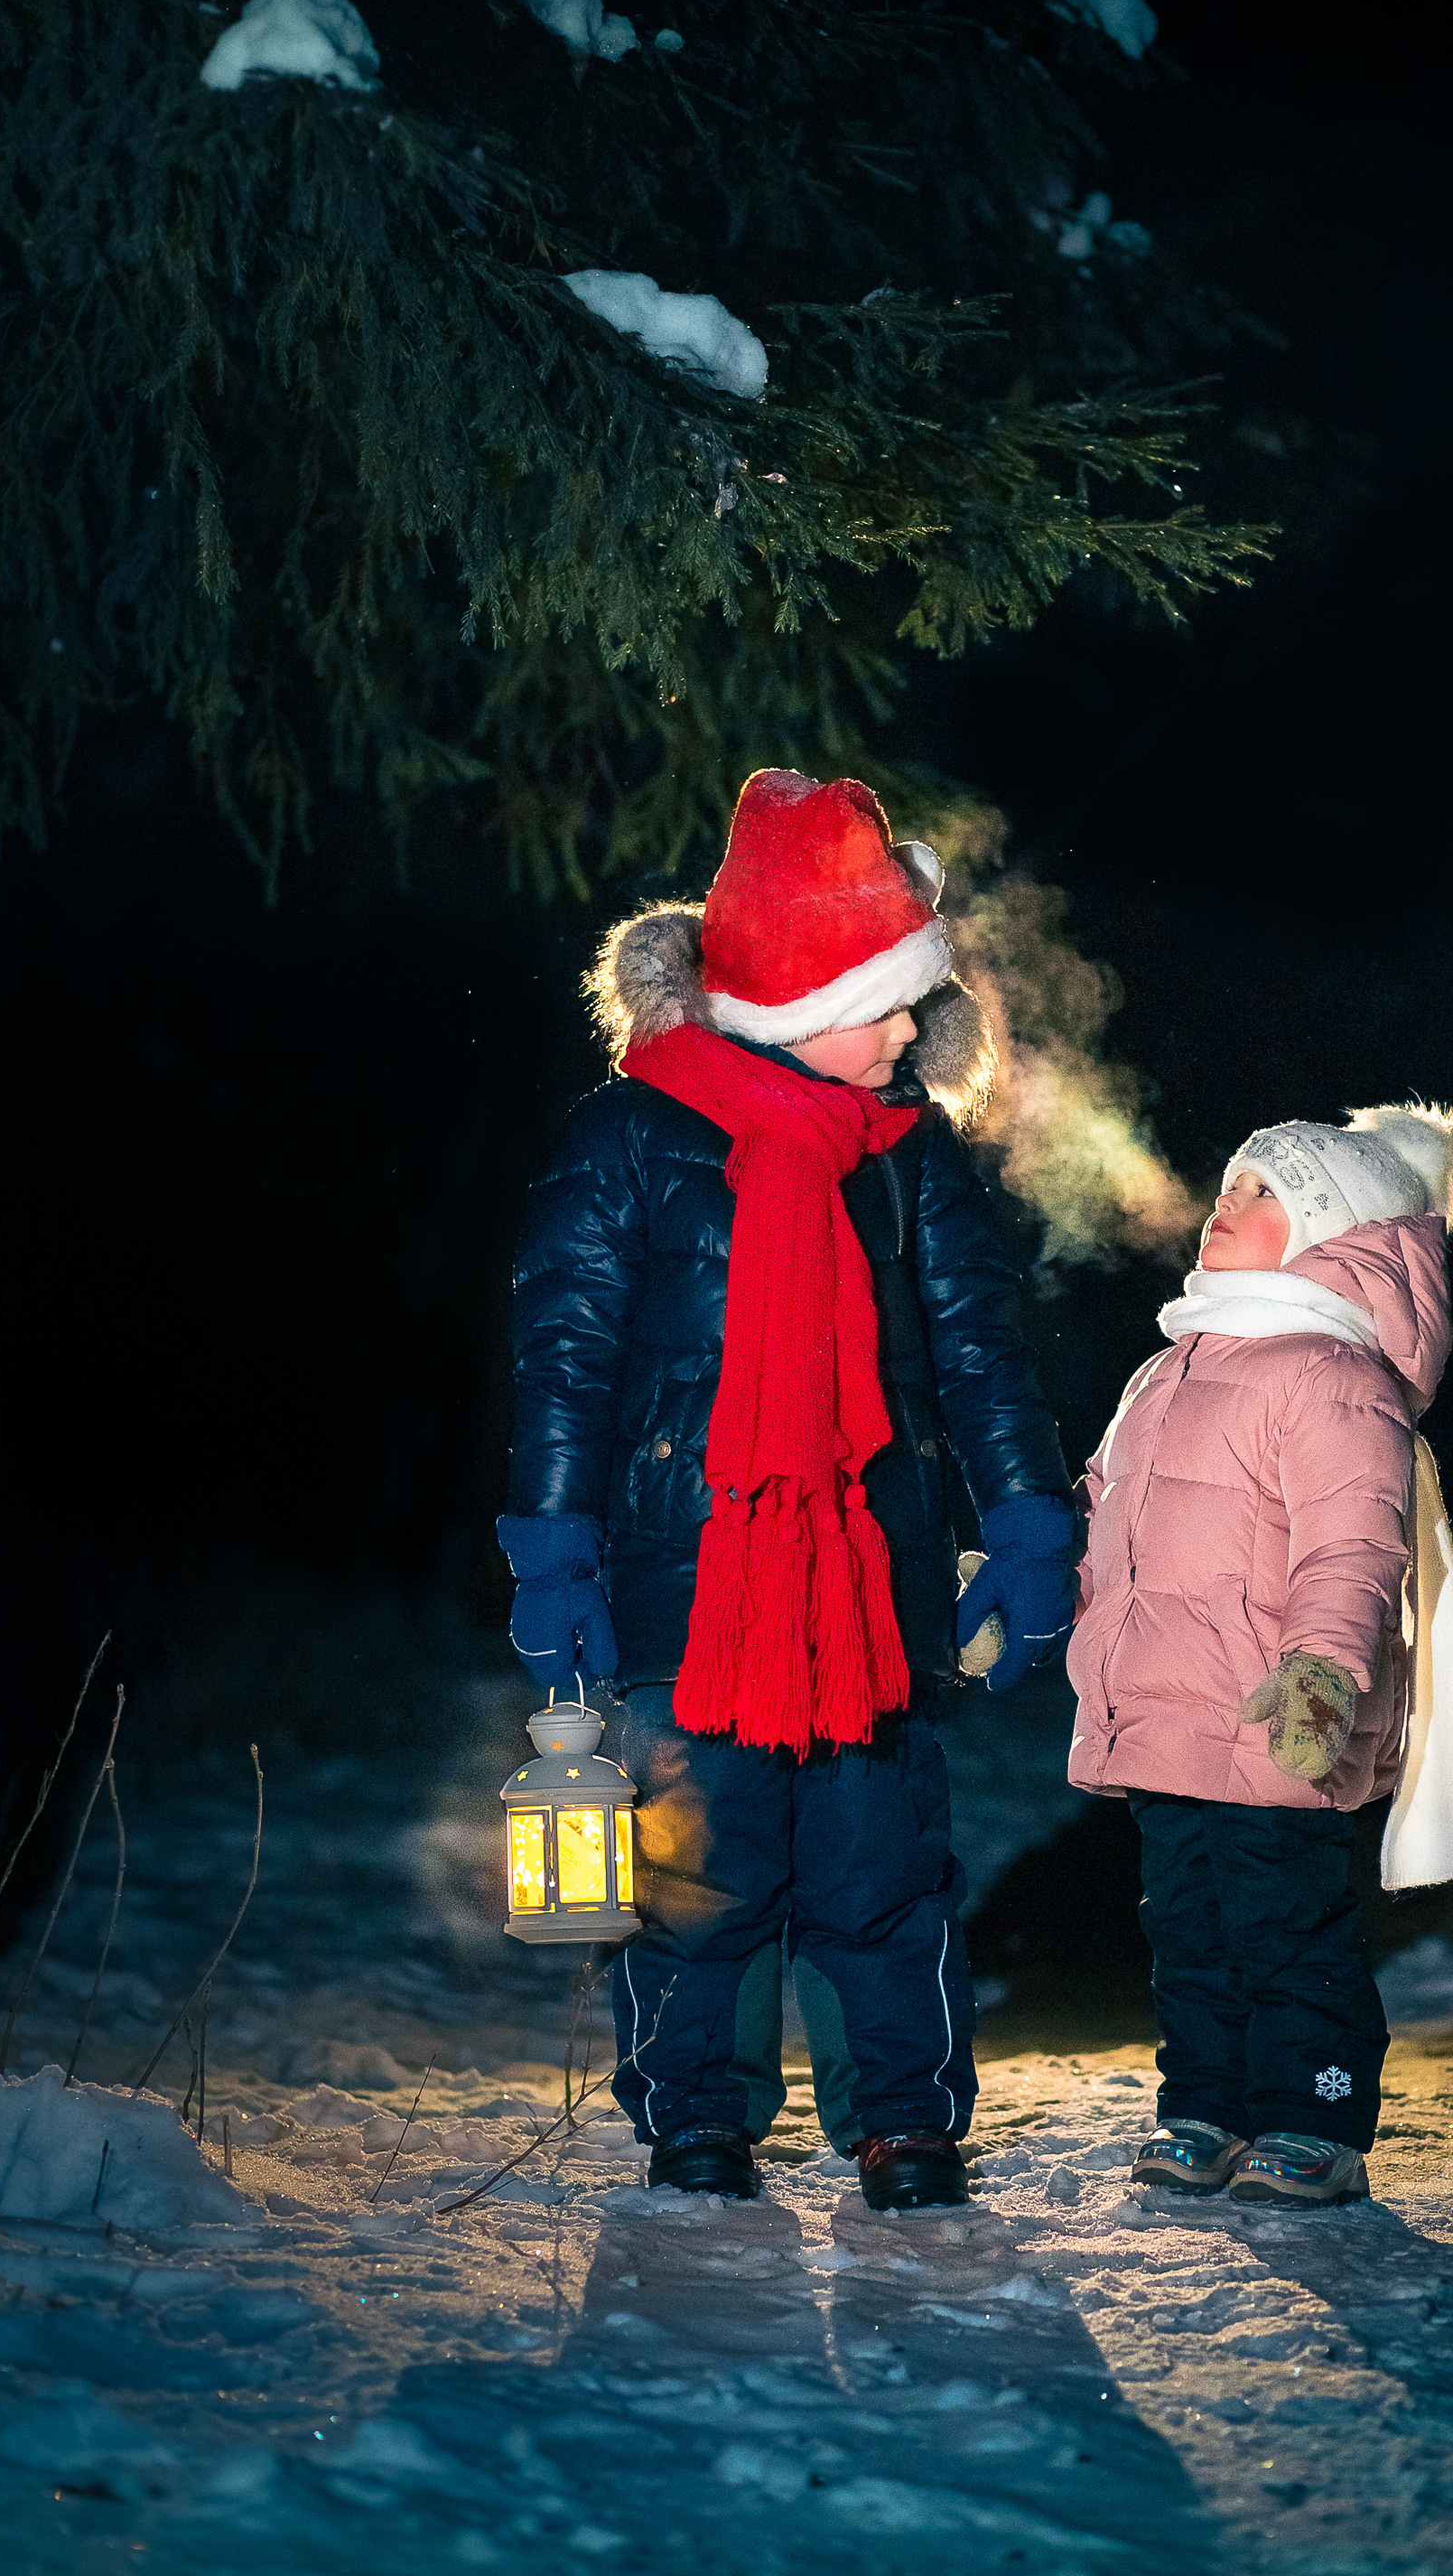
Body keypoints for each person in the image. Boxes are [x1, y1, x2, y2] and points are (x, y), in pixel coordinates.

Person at [497, 770, 1074, 2208]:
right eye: (888, 1001)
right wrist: (557, 1557)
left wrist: (1025, 1521)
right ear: (804, 999)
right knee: (699, 1871)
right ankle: (699, 2117)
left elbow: (981, 1353)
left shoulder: (910, 1156)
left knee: (883, 1868)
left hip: (867, 1582)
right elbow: (564, 1361)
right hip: (685, 1582)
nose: (914, 1031)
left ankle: (906, 2121)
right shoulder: (629, 1141)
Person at [1066, 1103, 1453, 2205]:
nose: (1225, 1205)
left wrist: (1324, 1673)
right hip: (1164, 1717)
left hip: (1275, 1719)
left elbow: (1354, 1543)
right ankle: (1206, 2108)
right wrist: (1032, 1596)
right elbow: (1108, 1528)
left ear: (1330, 1232)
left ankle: (1314, 2116)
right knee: (1189, 1934)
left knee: (1283, 1927)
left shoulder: (1330, 1377)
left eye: (1262, 1193)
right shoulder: (1165, 1374)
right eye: (1228, 1185)